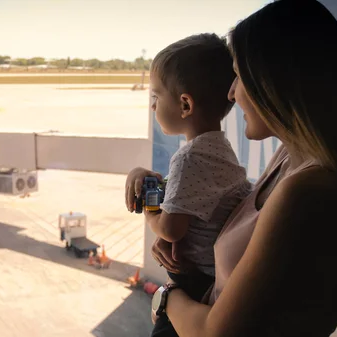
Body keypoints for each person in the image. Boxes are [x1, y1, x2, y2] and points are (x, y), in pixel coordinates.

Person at [143, 1, 337, 336]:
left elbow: (215, 333)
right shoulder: (289, 157)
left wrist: (167, 295)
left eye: (239, 77)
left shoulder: (306, 191)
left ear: (275, 81)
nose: (230, 93)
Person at [125, 33, 251, 336]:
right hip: (213, 278)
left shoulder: (190, 157)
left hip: (197, 285)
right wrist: (151, 178)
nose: (153, 108)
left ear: (185, 105)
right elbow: (191, 194)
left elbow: (170, 229)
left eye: (156, 97)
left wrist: (147, 205)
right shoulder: (219, 149)